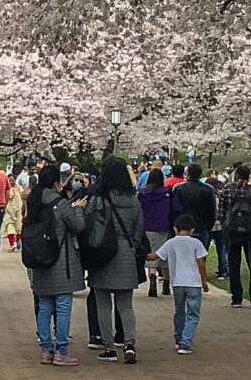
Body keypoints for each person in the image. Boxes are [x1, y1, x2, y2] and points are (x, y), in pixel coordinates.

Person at [26, 164, 86, 366]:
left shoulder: (34, 201)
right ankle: (61, 351)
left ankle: (46, 350)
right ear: (55, 182)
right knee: (62, 305)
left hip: (40, 261)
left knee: (44, 305)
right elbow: (78, 227)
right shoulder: (61, 204)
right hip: (62, 261)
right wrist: (78, 210)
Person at [89, 157, 144, 363]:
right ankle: (129, 343)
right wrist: (133, 246)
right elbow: (139, 230)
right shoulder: (133, 200)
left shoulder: (98, 200)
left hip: (102, 254)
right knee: (126, 305)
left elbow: (89, 226)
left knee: (103, 305)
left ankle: (109, 347)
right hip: (126, 254)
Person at [149, 214, 209, 355]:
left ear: (175, 228)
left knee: (179, 311)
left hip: (177, 283)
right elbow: (201, 263)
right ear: (192, 230)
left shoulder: (171, 242)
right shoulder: (196, 243)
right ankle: (185, 343)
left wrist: (143, 254)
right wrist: (204, 281)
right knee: (193, 315)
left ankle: (178, 338)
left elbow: (155, 256)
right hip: (193, 283)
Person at [219, 165, 251, 309]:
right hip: (250, 231)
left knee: (234, 264)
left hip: (232, 231)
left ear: (237, 175)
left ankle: (236, 298)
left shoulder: (227, 189)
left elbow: (220, 212)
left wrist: (226, 225)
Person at [139, 169, 172, 298]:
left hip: (147, 226)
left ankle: (152, 277)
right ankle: (166, 283)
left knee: (150, 252)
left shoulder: (142, 193)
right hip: (163, 225)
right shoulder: (168, 193)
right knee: (164, 254)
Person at [172, 163, 217, 249]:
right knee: (200, 254)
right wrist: (209, 225)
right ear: (200, 174)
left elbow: (175, 209)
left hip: (183, 225)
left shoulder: (178, 188)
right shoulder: (208, 189)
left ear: (187, 173)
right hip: (202, 225)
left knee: (183, 254)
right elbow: (212, 210)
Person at [1, 175, 24, 252]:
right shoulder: (5, 189)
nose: (11, 182)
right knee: (9, 227)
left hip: (18, 211)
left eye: (12, 180)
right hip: (9, 211)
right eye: (9, 180)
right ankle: (12, 244)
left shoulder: (19, 188)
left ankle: (18, 241)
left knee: (18, 228)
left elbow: (23, 198)